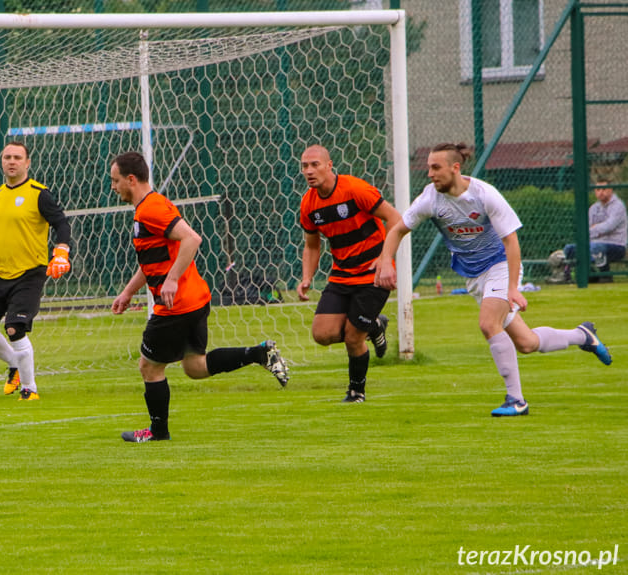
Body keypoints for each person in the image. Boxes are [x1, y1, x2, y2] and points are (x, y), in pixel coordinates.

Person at [376, 142, 612, 417]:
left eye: (436, 167)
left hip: (501, 266)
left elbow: (511, 241)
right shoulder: (430, 199)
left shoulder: (484, 195)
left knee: (488, 324)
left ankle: (516, 400)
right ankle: (582, 335)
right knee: (526, 343)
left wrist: (513, 288)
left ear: (455, 168)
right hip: (475, 276)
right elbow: (397, 230)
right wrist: (385, 262)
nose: (430, 173)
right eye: (428, 167)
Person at [110, 151, 289, 443]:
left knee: (149, 366)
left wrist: (170, 281)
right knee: (195, 367)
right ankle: (258, 353)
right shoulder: (147, 208)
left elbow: (192, 239)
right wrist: (129, 291)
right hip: (194, 299)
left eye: (116, 181)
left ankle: (158, 432)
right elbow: (155, 260)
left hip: (176, 305)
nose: (113, 187)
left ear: (131, 179)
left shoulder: (151, 209)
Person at [0, 141, 72, 401]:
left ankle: (29, 389)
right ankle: (15, 365)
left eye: (17, 157)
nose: (11, 161)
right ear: (2, 162)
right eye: (7, 157)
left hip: (30, 272)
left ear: (27, 163)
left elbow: (62, 224)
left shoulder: (39, 193)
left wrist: (61, 253)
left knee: (15, 327)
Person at [296, 144, 401, 403]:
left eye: (315, 165)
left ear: (329, 165)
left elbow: (396, 219)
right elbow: (311, 244)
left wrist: (385, 260)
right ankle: (374, 326)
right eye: (304, 166)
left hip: (373, 275)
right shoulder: (308, 204)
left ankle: (356, 392)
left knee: (354, 337)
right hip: (341, 275)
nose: (309, 171)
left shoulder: (355, 189)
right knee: (322, 335)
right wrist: (307, 277)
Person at [548, 177, 627, 284]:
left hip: (616, 245)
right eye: (598, 190)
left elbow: (609, 226)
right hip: (593, 244)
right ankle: (566, 276)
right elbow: (587, 230)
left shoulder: (618, 206)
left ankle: (605, 275)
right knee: (569, 248)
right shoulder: (594, 208)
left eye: (603, 189)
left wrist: (595, 228)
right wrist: (597, 229)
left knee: (596, 247)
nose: (600, 193)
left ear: (610, 190)